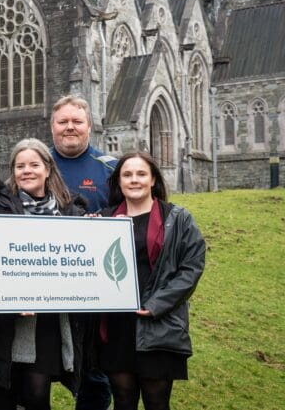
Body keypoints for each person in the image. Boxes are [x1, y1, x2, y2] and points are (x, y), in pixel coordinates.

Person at [0, 138, 89, 410]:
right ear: (13, 172)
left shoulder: (70, 210)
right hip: (9, 320)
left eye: (34, 164)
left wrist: (94, 232)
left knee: (37, 392)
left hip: (49, 320)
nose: (27, 170)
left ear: (48, 169)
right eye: (20, 166)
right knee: (6, 389)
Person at [98, 152, 206, 410]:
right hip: (117, 325)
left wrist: (157, 304)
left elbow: (191, 267)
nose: (134, 180)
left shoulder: (177, 218)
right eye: (127, 175)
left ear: (153, 179)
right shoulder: (103, 218)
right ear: (119, 181)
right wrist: (92, 232)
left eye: (141, 174)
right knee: (123, 400)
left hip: (159, 323)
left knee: (157, 401)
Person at [49, 95, 116, 410]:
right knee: (38, 367)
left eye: (77, 121)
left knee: (94, 368)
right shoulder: (36, 164)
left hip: (94, 286)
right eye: (63, 122)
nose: (70, 128)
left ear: (90, 126)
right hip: (44, 281)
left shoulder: (110, 168)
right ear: (52, 127)